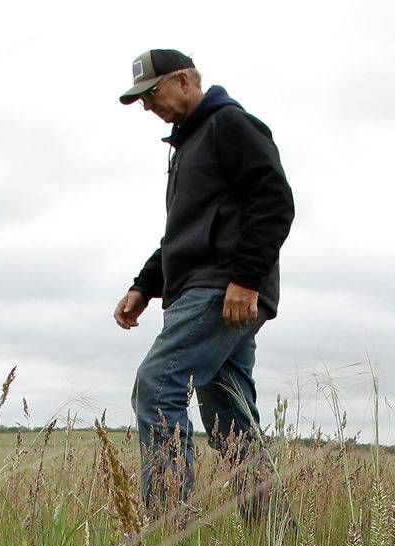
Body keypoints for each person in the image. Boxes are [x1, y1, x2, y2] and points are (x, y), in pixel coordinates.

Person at [114, 49, 295, 521]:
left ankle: (165, 533)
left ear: (183, 81)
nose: (147, 106)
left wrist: (245, 279)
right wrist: (144, 286)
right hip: (207, 288)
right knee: (229, 418)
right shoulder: (187, 146)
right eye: (140, 100)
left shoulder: (229, 125)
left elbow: (274, 200)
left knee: (157, 385)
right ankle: (275, 538)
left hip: (220, 290)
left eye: (151, 94)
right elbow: (182, 235)